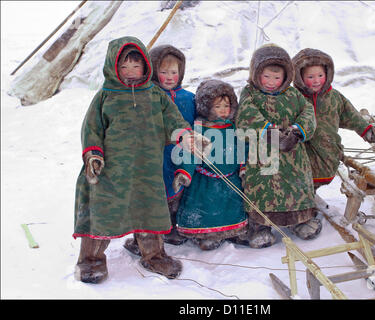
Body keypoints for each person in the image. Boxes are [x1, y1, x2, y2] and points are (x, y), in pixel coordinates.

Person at [73, 36, 196, 283]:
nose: (130, 72)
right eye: (124, 67)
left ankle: (154, 256)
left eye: (136, 66)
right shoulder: (105, 96)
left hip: (146, 168)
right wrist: (93, 154)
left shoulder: (155, 94)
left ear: (145, 67)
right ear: (113, 67)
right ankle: (91, 261)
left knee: (148, 210)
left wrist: (184, 135)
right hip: (111, 171)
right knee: (104, 213)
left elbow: (172, 119)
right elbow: (92, 129)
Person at [233, 44, 317, 248]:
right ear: (256, 73)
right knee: (262, 191)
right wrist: (269, 133)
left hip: (292, 155)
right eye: (266, 76)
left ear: (286, 76)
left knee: (297, 188)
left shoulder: (293, 95)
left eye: (277, 77)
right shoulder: (250, 93)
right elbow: (245, 116)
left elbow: (308, 113)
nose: (271, 83)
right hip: (262, 157)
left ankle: (300, 219)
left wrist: (297, 132)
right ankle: (260, 226)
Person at [123, 45, 196, 251]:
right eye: (163, 72)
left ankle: (172, 226)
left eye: (174, 72)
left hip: (182, 151)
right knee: (155, 191)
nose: (170, 77)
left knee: (178, 188)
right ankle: (147, 234)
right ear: (154, 71)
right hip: (156, 153)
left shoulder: (188, 98)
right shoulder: (148, 95)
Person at [172, 79, 248, 250]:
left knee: (231, 208)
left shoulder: (234, 126)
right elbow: (192, 152)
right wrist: (185, 172)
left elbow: (242, 147)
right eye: (217, 106)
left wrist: (243, 168)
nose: (223, 110)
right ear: (206, 107)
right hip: (205, 181)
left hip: (231, 179)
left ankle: (233, 231)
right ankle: (205, 234)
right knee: (207, 209)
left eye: (226, 106)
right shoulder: (199, 128)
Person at [292, 48, 375, 193]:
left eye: (320, 75)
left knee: (324, 171)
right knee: (302, 180)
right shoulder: (294, 98)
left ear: (327, 73)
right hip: (305, 152)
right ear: (299, 77)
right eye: (310, 77)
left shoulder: (334, 97)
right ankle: (304, 201)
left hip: (329, 149)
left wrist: (365, 129)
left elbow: (351, 115)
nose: (316, 81)